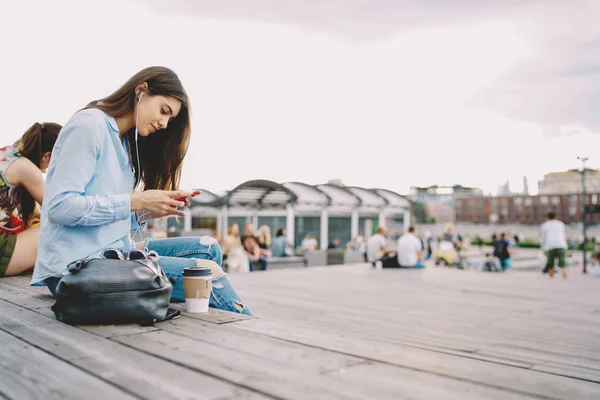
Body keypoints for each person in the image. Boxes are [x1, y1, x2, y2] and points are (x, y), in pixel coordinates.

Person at [31, 66, 251, 315]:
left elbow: (111, 216)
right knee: (207, 273)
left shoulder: (126, 144)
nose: (165, 123)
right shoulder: (89, 125)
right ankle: (250, 335)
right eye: (164, 111)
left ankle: (200, 316)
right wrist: (137, 201)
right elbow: (60, 208)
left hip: (113, 254)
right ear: (141, 91)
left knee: (209, 247)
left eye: (170, 119)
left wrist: (149, 211)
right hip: (78, 269)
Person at [1, 122, 62, 277]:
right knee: (59, 230)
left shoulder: (8, 154)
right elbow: (59, 209)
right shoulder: (25, 167)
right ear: (47, 156)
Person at [541, 211, 567, 279]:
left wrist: (543, 248)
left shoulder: (545, 225)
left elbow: (543, 238)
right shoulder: (561, 224)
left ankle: (551, 276)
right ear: (555, 216)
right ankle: (564, 274)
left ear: (547, 217)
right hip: (561, 245)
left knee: (550, 262)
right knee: (562, 261)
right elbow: (563, 235)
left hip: (550, 246)